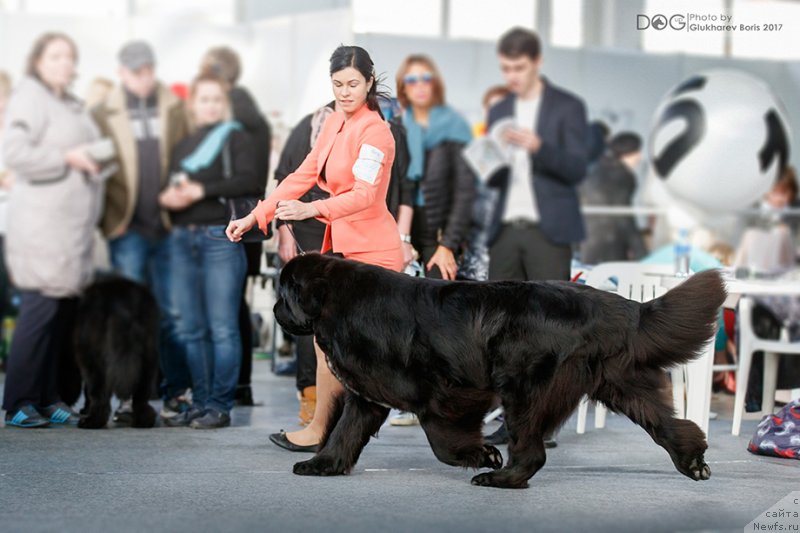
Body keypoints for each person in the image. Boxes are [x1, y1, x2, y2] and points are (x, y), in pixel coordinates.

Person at [227, 45, 403, 451]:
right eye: (338, 84)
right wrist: (256, 216)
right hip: (343, 254)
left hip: (373, 256)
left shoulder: (376, 132)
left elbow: (364, 195)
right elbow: (301, 175)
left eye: (353, 84)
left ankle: (335, 431)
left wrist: (311, 209)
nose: (344, 92)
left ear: (369, 82)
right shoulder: (334, 123)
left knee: (366, 355)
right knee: (327, 348)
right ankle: (321, 430)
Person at [483, 27, 589, 446]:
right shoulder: (499, 109)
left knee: (548, 328)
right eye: (505, 68)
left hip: (549, 231)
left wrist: (539, 146)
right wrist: (487, 160)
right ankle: (511, 419)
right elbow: (494, 177)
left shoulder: (567, 107)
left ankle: (540, 423)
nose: (512, 76)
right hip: (505, 231)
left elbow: (577, 169)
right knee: (499, 329)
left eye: (519, 68)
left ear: (537, 62)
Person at [2, 33, 103, 427]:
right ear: (38, 61)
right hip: (41, 228)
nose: (65, 64)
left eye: (69, 57)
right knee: (39, 311)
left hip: (73, 231)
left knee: (61, 317)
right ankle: (19, 401)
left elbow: (92, 151)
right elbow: (15, 152)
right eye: (55, 56)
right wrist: (67, 157)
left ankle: (48, 397)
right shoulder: (29, 97)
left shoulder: (72, 105)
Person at [91, 40, 192, 424]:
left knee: (172, 315)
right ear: (122, 73)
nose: (144, 78)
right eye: (136, 72)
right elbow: (98, 171)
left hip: (168, 229)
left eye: (148, 70)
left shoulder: (175, 109)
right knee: (126, 318)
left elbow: (188, 159)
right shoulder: (103, 113)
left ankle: (175, 393)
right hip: (127, 230)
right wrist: (108, 223)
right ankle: (127, 398)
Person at [160, 72, 261, 429]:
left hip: (220, 237)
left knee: (222, 327)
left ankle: (219, 405)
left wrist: (201, 191)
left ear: (225, 103)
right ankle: (200, 403)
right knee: (192, 328)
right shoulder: (184, 145)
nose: (211, 106)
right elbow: (174, 187)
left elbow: (250, 180)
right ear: (193, 104)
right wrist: (169, 198)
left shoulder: (236, 138)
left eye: (217, 99)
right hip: (182, 239)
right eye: (204, 99)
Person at [388, 54, 475, 426]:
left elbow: (465, 192)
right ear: (403, 87)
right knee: (404, 316)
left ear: (435, 83)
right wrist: (399, 235)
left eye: (426, 78)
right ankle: (411, 400)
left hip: (441, 231)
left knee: (442, 321)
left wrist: (448, 244)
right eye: (411, 80)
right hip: (404, 225)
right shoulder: (396, 126)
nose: (420, 85)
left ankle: (448, 403)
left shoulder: (453, 126)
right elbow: (396, 184)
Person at [200, 46, 273, 406]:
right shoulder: (255, 119)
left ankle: (223, 388)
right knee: (235, 305)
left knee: (224, 310)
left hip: (227, 223)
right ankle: (240, 385)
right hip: (249, 223)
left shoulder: (229, 120)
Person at [579, 131, 648, 264]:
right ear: (628, 152)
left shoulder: (596, 168)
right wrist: (641, 252)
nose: (639, 157)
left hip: (589, 238)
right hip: (610, 239)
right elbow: (624, 215)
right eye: (637, 151)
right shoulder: (622, 176)